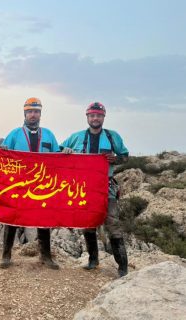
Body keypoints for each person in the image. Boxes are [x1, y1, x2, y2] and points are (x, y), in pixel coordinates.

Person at [61, 102, 129, 277]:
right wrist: (65, 151)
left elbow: (125, 156)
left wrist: (116, 159)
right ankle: (93, 260)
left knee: (113, 224)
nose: (95, 118)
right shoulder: (76, 137)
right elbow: (59, 150)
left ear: (103, 117)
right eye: (92, 115)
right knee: (88, 223)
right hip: (84, 188)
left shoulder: (113, 137)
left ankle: (122, 266)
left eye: (98, 115)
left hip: (106, 187)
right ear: (87, 117)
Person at [0, 97, 60, 270]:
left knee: (43, 221)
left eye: (36, 111)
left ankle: (46, 256)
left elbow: (58, 158)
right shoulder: (14, 134)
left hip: (41, 187)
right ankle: (6, 255)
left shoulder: (48, 135)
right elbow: (1, 159)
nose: (33, 115)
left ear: (40, 114)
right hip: (18, 185)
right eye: (30, 112)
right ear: (25, 113)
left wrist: (66, 153)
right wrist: (3, 152)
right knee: (11, 219)